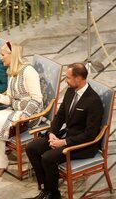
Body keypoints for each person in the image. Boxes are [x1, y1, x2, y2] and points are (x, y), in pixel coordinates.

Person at [26, 63, 103, 199]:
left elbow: (90, 135)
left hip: (83, 145)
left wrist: (64, 142)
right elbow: (60, 116)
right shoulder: (70, 91)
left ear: (78, 78)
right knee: (31, 147)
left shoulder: (93, 101)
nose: (65, 81)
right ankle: (46, 188)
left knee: (47, 157)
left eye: (67, 77)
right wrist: (52, 134)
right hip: (65, 136)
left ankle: (53, 194)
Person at [0, 42, 43, 179]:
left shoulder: (29, 71)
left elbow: (37, 99)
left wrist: (23, 116)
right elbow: (11, 99)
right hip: (16, 109)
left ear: (12, 55)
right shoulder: (12, 72)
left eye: (3, 54)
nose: (0, 57)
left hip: (30, 114)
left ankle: (0, 164)